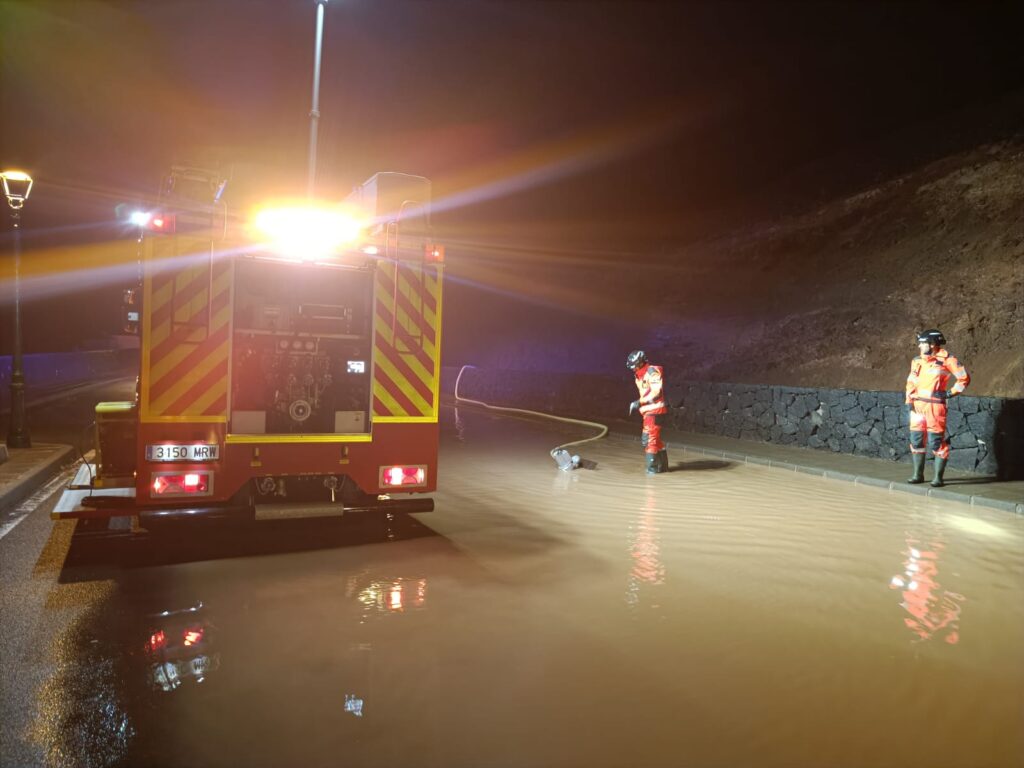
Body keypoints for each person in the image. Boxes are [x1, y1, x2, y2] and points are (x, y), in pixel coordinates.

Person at [905, 329, 970, 487]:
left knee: (935, 442)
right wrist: (909, 401)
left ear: (932, 344)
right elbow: (911, 381)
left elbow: (964, 378)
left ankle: (938, 478)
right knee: (916, 440)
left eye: (922, 343)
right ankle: (917, 475)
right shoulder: (917, 360)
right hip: (917, 406)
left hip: (935, 407)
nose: (919, 346)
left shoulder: (948, 360)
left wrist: (949, 393)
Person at [627, 350, 669, 474]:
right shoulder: (639, 375)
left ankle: (652, 470)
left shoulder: (652, 372)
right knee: (654, 439)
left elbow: (656, 393)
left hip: (655, 410)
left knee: (649, 440)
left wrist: (639, 402)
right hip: (649, 411)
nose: (633, 369)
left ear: (640, 363)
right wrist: (641, 403)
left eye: (634, 366)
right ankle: (663, 467)